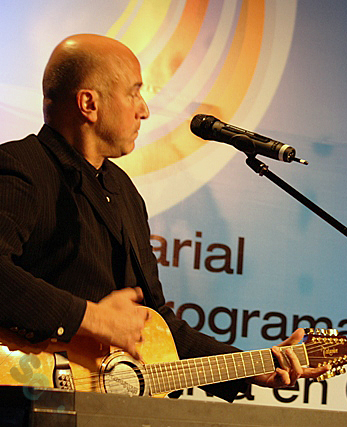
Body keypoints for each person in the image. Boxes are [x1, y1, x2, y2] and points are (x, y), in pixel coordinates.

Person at [0, 34, 327, 400]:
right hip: (26, 401)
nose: (144, 110)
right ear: (89, 104)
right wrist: (91, 318)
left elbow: (158, 327)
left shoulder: (123, 191)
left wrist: (254, 368)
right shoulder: (21, 166)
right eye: (134, 93)